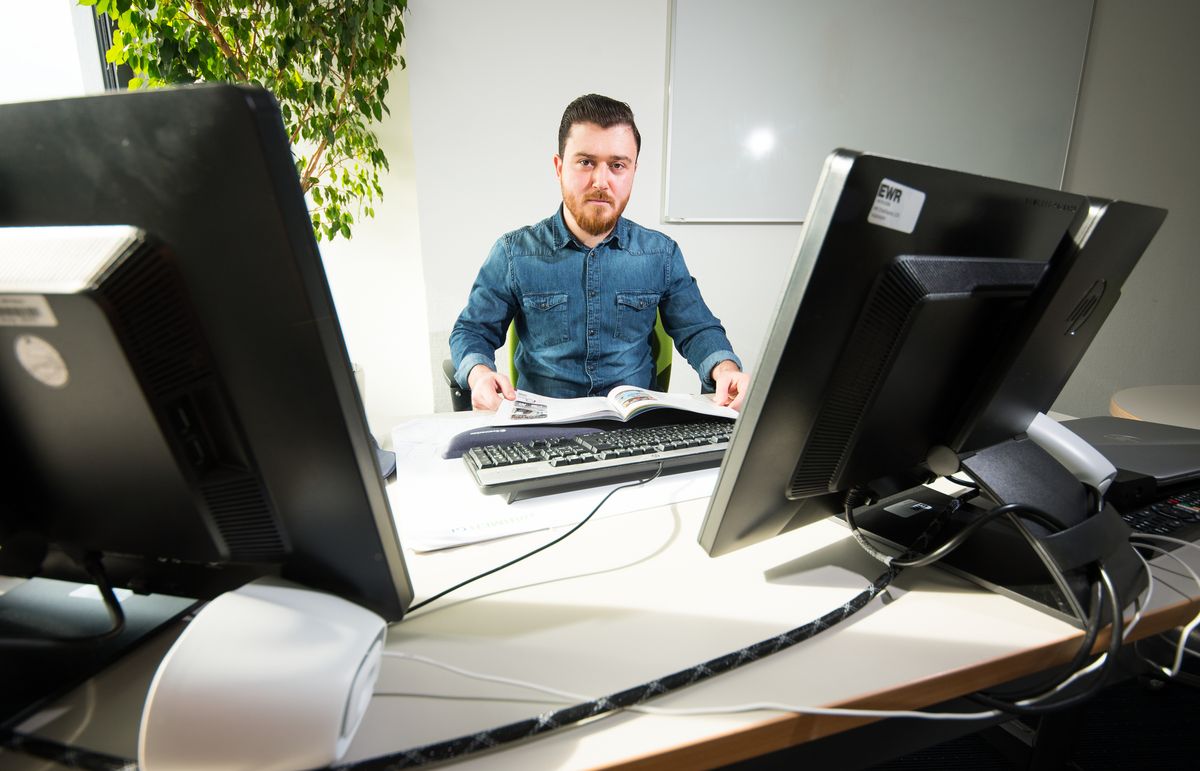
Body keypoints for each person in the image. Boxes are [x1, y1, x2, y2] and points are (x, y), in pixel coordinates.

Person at [449, 93, 750, 411]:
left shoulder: (661, 254)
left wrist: (725, 370)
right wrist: (479, 373)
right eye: (585, 162)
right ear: (559, 167)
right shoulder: (514, 254)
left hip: (633, 430)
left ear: (633, 172)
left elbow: (698, 328)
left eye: (617, 165)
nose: (601, 181)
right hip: (543, 430)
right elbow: (472, 329)